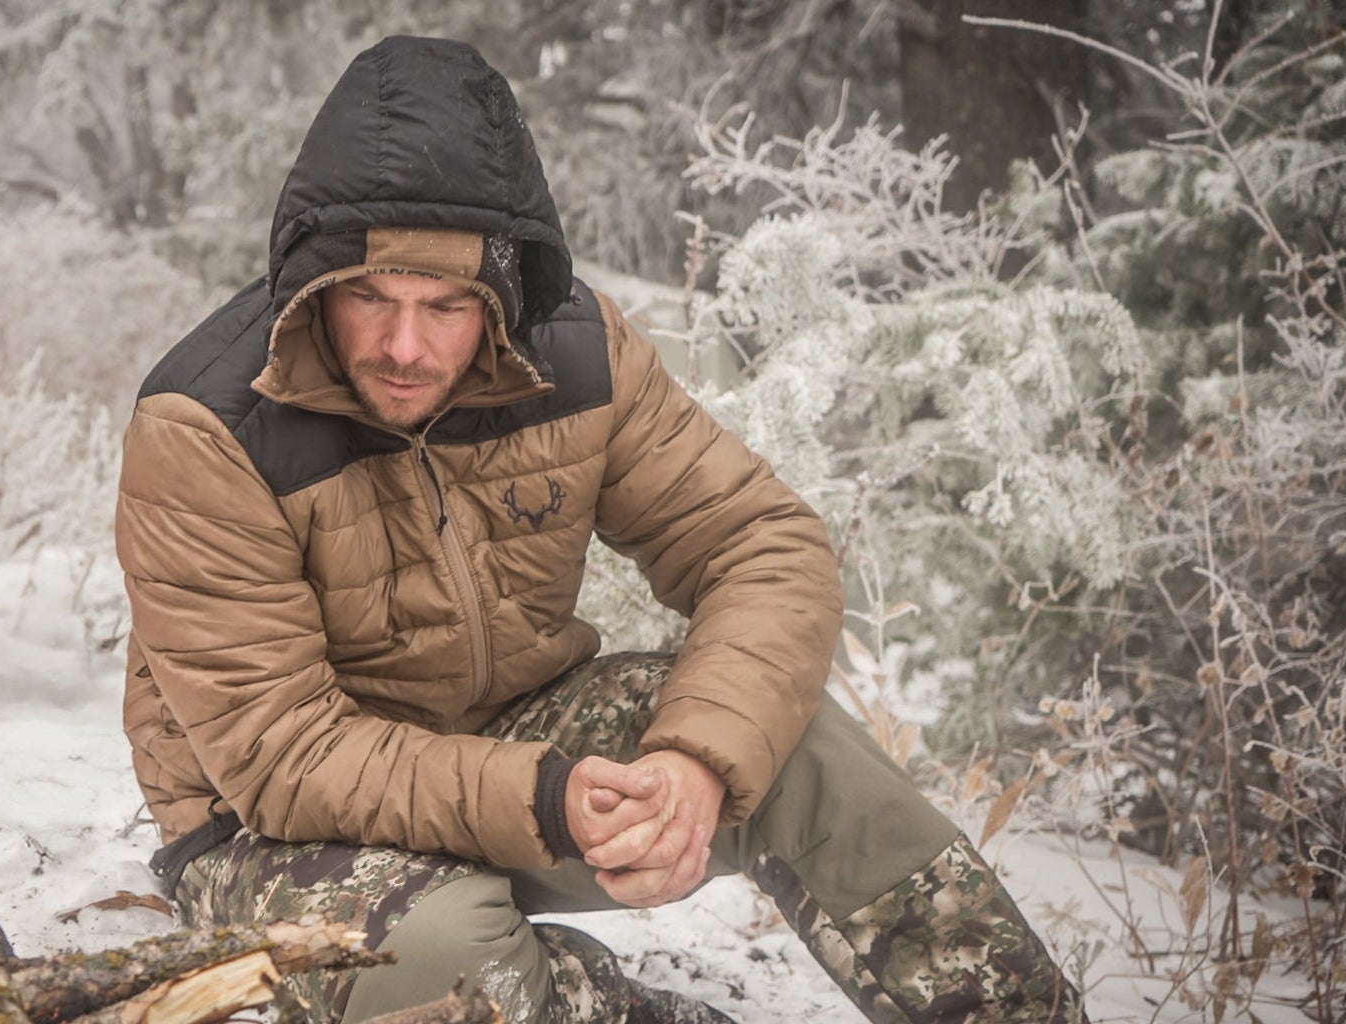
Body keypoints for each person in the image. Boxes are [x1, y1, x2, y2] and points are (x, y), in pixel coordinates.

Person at [116, 35, 1086, 1024]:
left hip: (523, 744)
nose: (403, 346)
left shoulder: (578, 358)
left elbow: (763, 545)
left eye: (445, 306)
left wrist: (696, 761)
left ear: (500, 296)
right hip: (267, 829)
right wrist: (541, 798)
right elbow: (285, 755)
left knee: (795, 754)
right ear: (312, 283)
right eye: (367, 298)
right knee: (442, 952)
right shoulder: (204, 427)